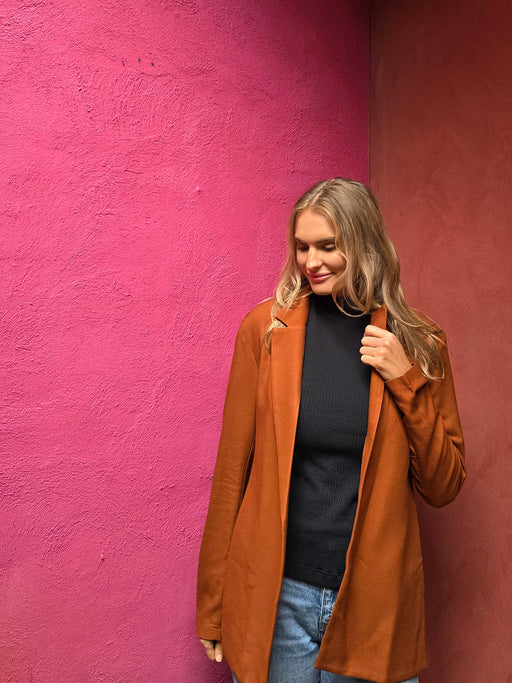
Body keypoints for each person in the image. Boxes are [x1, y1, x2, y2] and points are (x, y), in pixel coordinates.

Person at [196, 178, 466, 683]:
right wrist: (212, 606)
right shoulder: (266, 331)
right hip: (278, 600)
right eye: (302, 247)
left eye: (327, 246)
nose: (311, 262)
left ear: (364, 245)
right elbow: (232, 474)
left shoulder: (419, 342)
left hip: (373, 605)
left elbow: (444, 484)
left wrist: (405, 378)